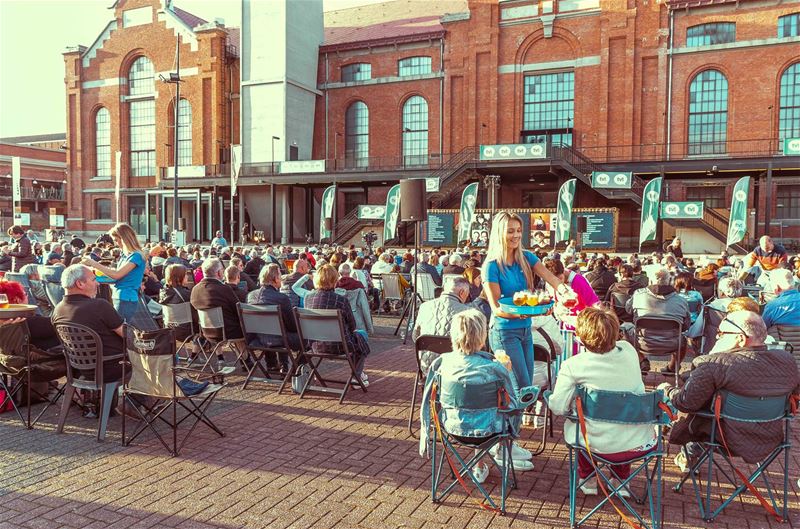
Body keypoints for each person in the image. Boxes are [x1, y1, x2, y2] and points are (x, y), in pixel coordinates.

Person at [659, 311, 800, 473]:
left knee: (667, 395)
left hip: (723, 437)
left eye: (721, 333)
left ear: (740, 339)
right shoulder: (788, 361)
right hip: (769, 438)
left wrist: (667, 389)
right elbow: (793, 401)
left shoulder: (712, 363)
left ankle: (669, 439)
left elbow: (685, 402)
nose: (718, 338)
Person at [548, 307, 657, 495]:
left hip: (595, 446)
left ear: (581, 338)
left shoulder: (573, 365)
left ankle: (588, 477)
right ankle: (621, 479)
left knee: (581, 422)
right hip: (637, 441)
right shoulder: (630, 351)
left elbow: (557, 407)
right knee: (621, 415)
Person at [418, 309, 534, 481]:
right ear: (482, 336)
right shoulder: (494, 368)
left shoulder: (441, 363)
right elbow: (511, 406)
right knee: (491, 412)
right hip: (490, 431)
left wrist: (426, 432)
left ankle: (479, 465)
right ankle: (497, 454)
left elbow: (430, 402)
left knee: (474, 408)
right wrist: (507, 371)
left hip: (451, 427)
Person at [482, 211, 575, 388]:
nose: (516, 235)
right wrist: (524, 314)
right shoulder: (491, 266)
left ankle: (517, 415)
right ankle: (510, 416)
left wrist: (564, 291)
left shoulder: (526, 257)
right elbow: (496, 308)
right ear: (499, 233)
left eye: (518, 230)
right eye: (510, 231)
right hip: (504, 332)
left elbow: (552, 278)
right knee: (520, 386)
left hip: (525, 330)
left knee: (526, 384)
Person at [51, 264, 127, 383]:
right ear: (80, 284)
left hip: (78, 369)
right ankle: (139, 401)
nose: (98, 283)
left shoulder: (58, 310)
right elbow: (128, 335)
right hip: (113, 367)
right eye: (93, 279)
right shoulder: (99, 306)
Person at [303, 265, 371, 386]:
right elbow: (352, 325)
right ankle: (357, 375)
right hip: (339, 345)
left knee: (358, 336)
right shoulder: (340, 300)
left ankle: (358, 375)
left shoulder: (308, 298)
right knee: (362, 336)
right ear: (335, 281)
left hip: (314, 344)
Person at [626, 266, 691, 375]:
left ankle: (641, 360)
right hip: (672, 343)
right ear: (670, 281)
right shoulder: (681, 301)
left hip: (643, 342)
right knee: (683, 339)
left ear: (650, 281)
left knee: (624, 329)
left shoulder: (638, 295)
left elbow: (628, 310)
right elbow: (686, 326)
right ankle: (673, 367)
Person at [80, 223, 146, 324]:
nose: (115, 243)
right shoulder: (126, 255)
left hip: (125, 297)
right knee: (119, 327)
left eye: (116, 240)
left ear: (123, 238)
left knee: (120, 328)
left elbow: (117, 275)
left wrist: (93, 264)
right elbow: (116, 277)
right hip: (121, 296)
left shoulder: (135, 256)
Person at [412, 276, 471, 374]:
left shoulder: (424, 307)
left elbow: (415, 336)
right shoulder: (467, 311)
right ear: (462, 293)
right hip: (455, 367)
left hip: (426, 365)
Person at [247, 263, 301, 361]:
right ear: (275, 278)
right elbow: (292, 326)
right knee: (306, 339)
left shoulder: (251, 296)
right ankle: (297, 368)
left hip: (258, 338)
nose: (281, 278)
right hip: (280, 339)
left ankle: (273, 365)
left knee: (272, 328)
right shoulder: (282, 298)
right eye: (280, 276)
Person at [190, 258, 244, 343]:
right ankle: (245, 356)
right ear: (218, 273)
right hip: (227, 332)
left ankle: (243, 356)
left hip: (205, 331)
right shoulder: (224, 289)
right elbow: (238, 310)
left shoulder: (195, 290)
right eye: (222, 270)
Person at [158, 264, 197, 345]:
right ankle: (198, 351)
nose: (187, 277)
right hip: (187, 330)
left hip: (169, 329)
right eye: (185, 274)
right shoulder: (186, 294)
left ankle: (195, 353)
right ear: (179, 278)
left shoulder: (163, 292)